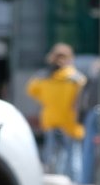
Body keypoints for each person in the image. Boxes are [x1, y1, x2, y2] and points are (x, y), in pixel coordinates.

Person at [27, 43, 86, 176]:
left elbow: (31, 89)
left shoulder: (44, 78)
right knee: (73, 159)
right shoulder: (76, 79)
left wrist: (44, 99)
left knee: (51, 158)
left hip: (50, 120)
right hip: (70, 122)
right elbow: (82, 97)